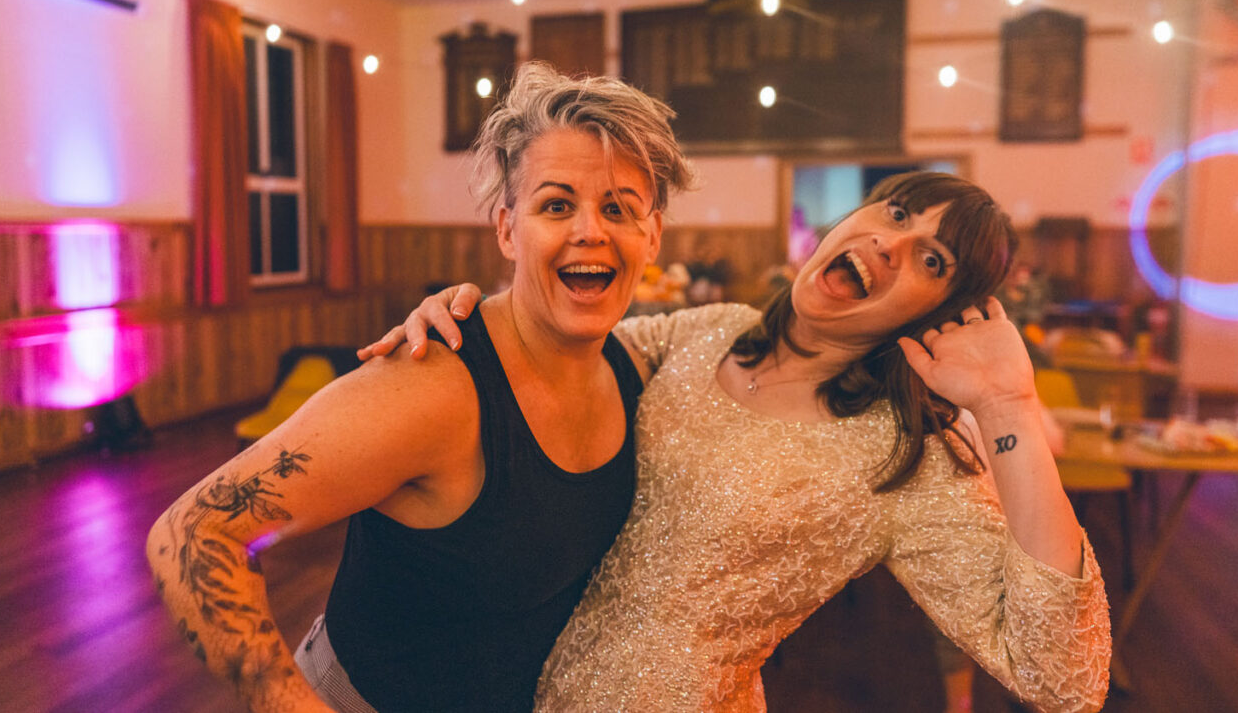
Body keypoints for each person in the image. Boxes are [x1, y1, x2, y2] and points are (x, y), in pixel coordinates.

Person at [365, 172, 1112, 713]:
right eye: (897, 210)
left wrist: (1008, 401)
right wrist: (467, 319)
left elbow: (1064, 677)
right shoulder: (703, 330)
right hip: (513, 683)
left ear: (937, 310)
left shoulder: (900, 456)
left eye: (931, 260)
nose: (890, 242)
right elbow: (544, 365)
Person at [145, 63, 693, 712]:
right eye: (555, 204)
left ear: (651, 235)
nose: (589, 230)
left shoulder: (640, 369)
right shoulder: (433, 382)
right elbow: (191, 533)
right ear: (508, 228)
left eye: (618, 208)